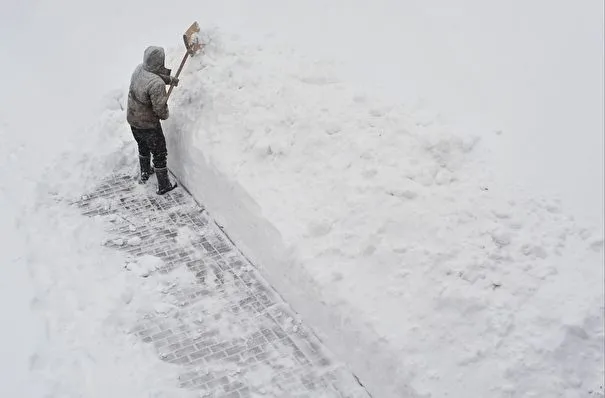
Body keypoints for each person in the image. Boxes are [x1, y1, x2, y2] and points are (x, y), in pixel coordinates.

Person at [126, 46, 179, 195]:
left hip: (133, 120)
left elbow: (152, 77)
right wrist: (165, 112)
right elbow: (160, 111)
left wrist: (169, 80)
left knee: (143, 145)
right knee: (159, 152)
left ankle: (145, 172)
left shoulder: (139, 69)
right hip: (148, 125)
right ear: (159, 62)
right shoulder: (157, 84)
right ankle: (164, 185)